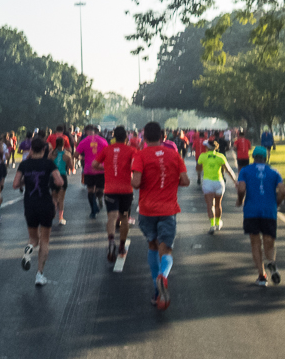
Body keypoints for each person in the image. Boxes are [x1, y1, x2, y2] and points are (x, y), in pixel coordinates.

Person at [131, 122, 189, 310]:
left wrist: (132, 178)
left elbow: (137, 183)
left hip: (147, 210)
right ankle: (163, 275)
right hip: (168, 209)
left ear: (144, 138)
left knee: (152, 246)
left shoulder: (140, 155)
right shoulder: (174, 155)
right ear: (163, 137)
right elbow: (186, 181)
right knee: (167, 249)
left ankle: (157, 292)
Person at [13, 135, 64, 286]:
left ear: (30, 149)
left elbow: (15, 184)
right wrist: (52, 182)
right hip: (45, 203)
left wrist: (26, 180)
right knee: (45, 240)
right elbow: (59, 181)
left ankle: (28, 251)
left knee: (33, 239)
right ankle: (39, 274)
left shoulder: (24, 164)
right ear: (44, 149)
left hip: (29, 204)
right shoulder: (49, 164)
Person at [236, 146, 285, 287]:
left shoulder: (245, 171)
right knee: (269, 241)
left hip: (251, 211)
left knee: (255, 242)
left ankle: (262, 275)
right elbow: (282, 191)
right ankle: (271, 262)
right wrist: (276, 203)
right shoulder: (274, 172)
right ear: (266, 158)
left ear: (253, 157)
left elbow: (241, 188)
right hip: (269, 211)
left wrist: (240, 200)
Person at [99, 126, 136, 262]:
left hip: (110, 189)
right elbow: (136, 166)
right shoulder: (131, 150)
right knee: (124, 217)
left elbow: (95, 164)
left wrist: (107, 167)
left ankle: (110, 241)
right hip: (126, 190)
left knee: (112, 217)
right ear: (126, 138)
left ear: (114, 137)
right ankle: (121, 246)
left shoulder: (107, 149)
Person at [197, 138, 236, 235]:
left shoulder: (202, 156)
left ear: (207, 147)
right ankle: (218, 223)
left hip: (207, 183)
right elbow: (228, 170)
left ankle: (212, 225)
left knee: (210, 205)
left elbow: (198, 169)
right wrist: (235, 181)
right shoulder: (220, 156)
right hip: (219, 182)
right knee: (218, 204)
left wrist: (203, 165)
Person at [76, 124, 108, 218]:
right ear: (95, 131)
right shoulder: (103, 141)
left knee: (90, 190)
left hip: (89, 169)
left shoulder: (84, 141)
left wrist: (82, 158)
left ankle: (93, 209)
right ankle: (99, 199)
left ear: (86, 132)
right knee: (100, 189)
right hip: (101, 169)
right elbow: (107, 154)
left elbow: (75, 155)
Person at [50, 136, 75, 229]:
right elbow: (71, 166)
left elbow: (48, 163)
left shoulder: (51, 154)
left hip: (53, 176)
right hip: (62, 176)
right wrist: (72, 169)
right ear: (64, 144)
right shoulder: (67, 155)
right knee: (61, 198)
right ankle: (60, 218)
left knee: (54, 197)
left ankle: (52, 214)